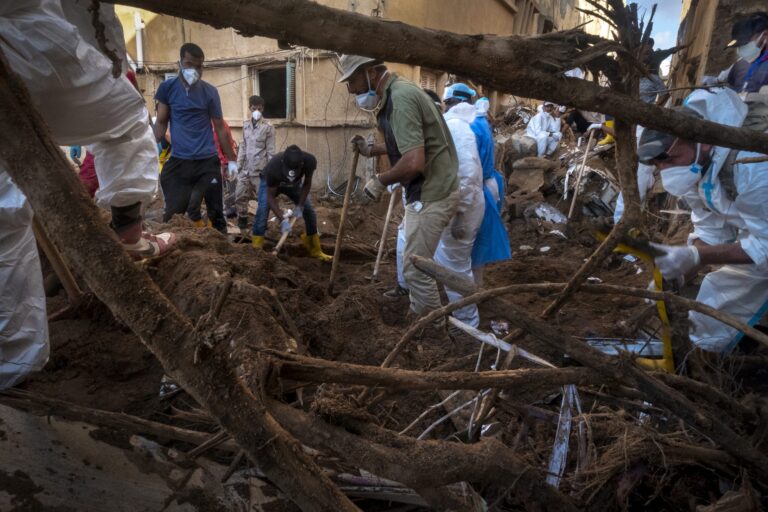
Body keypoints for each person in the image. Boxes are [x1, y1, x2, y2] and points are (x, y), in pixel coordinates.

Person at [0, 0, 176, 389]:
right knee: (130, 122)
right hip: (30, 52)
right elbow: (98, 31)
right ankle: (130, 233)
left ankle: (10, 359)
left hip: (21, 48)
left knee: (4, 214)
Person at [638, 87, 768, 354]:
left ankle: (706, 356)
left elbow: (766, 245)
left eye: (669, 158)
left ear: (704, 141)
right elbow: (711, 229)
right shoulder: (698, 166)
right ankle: (703, 348)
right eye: (657, 163)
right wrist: (675, 275)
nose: (665, 169)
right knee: (717, 287)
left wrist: (697, 255)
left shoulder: (752, 165)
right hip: (760, 228)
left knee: (731, 284)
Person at [341, 54, 459, 323]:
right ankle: (420, 314)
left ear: (371, 73)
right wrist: (372, 151)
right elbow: (409, 142)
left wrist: (379, 181)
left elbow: (414, 160)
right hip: (428, 189)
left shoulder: (401, 99)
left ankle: (432, 328)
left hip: (432, 193)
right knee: (413, 261)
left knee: (417, 268)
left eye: (353, 81)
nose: (351, 90)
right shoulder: (397, 92)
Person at [153, 43, 238, 234]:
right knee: (174, 214)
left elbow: (220, 128)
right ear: (180, 63)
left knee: (216, 212)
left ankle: (222, 252)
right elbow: (161, 122)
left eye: (199, 66)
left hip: (207, 162)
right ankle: (172, 250)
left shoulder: (210, 92)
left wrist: (231, 161)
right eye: (189, 64)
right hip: (180, 161)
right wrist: (149, 148)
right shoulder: (167, 89)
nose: (194, 70)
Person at [435, 84, 485, 327]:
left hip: (463, 206)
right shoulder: (467, 124)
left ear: (448, 102)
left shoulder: (455, 127)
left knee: (454, 267)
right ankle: (466, 313)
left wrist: (460, 214)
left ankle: (468, 323)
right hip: (463, 201)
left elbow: (467, 173)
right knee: (453, 261)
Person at [252, 145, 332, 261]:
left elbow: (307, 184)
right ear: (283, 163)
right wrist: (282, 219)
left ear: (301, 164)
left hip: (294, 185)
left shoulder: (309, 161)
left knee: (309, 212)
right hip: (272, 184)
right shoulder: (274, 166)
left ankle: (315, 250)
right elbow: (270, 196)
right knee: (262, 212)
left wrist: (300, 205)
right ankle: (255, 252)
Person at [470, 97, 512, 286]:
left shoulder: (471, 126)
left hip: (478, 186)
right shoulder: (482, 124)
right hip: (489, 184)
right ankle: (476, 282)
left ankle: (471, 286)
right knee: (481, 236)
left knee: (472, 239)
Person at [236, 95, 276, 236]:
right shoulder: (246, 125)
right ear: (249, 108)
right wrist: (238, 165)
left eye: (259, 109)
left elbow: (271, 151)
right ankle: (242, 222)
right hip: (245, 169)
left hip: (260, 170)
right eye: (254, 109)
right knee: (239, 195)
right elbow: (243, 146)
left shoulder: (268, 128)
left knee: (262, 200)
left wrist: (271, 172)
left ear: (263, 109)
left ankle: (261, 227)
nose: (257, 111)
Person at [726, 12, 768, 95]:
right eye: (740, 45)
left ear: (765, 35)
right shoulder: (740, 65)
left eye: (745, 43)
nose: (742, 49)